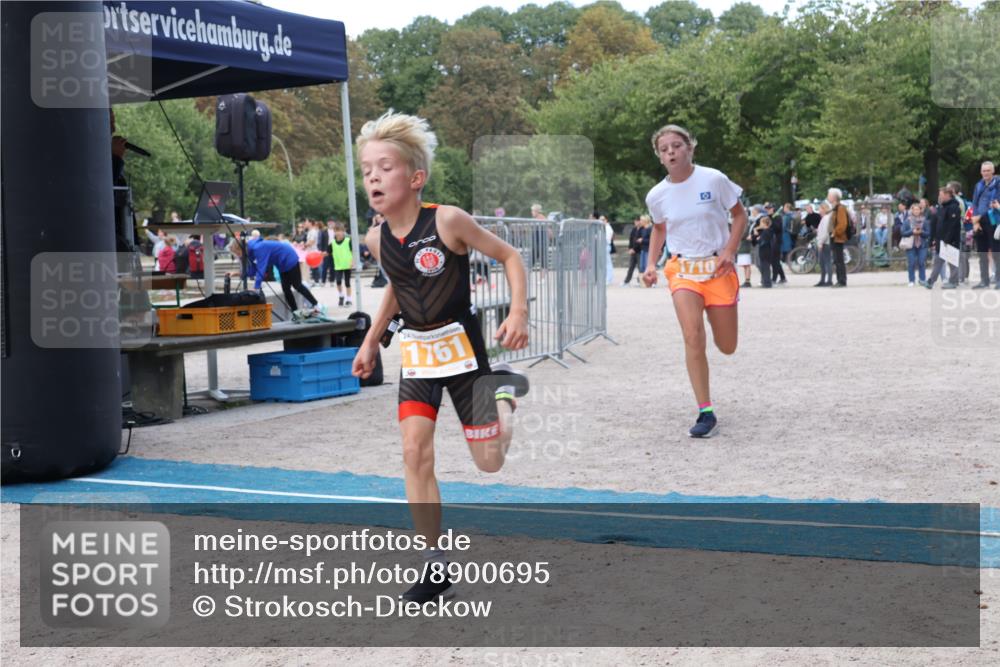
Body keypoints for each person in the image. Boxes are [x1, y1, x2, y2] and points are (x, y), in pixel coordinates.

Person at [350, 111, 530, 603]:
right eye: (366, 169)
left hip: (465, 352)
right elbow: (398, 284)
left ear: (415, 177)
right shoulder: (375, 238)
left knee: (489, 462)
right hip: (420, 356)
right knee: (414, 451)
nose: (372, 177)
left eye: (384, 167)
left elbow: (511, 256)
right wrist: (371, 340)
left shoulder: (447, 220)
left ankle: (504, 398)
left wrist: (518, 312)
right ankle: (434, 564)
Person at [642, 123, 746, 438]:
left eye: (677, 145)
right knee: (691, 335)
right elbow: (659, 229)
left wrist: (729, 250)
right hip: (682, 268)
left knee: (727, 346)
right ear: (659, 157)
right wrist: (650, 264)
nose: (671, 152)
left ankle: (719, 321)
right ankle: (705, 411)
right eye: (664, 149)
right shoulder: (657, 195)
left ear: (690, 148)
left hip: (717, 269)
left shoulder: (714, 179)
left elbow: (740, 215)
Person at [230, 236, 319, 310]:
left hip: (289, 258)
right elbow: (253, 270)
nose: (238, 256)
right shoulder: (250, 252)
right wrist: (239, 273)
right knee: (286, 289)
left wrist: (256, 287)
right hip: (281, 264)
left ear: (241, 248)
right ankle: (295, 312)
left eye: (237, 253)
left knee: (297, 285)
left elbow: (261, 268)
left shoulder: (258, 248)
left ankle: (315, 304)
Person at [924, 185, 962, 290]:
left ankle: (953, 282)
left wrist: (947, 240)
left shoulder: (954, 207)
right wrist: (934, 239)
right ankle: (930, 281)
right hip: (941, 240)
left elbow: (953, 225)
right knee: (938, 261)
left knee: (952, 262)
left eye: (941, 195)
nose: (939, 197)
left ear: (947, 195)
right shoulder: (941, 207)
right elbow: (937, 224)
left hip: (950, 240)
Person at [970, 161, 999, 288]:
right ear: (981, 172)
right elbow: (974, 203)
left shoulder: (998, 184)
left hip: (992, 220)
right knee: (981, 253)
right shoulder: (978, 185)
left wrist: (978, 217)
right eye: (984, 170)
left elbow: (993, 203)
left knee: (996, 252)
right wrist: (975, 221)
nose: (986, 173)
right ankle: (984, 280)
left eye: (988, 170)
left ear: (993, 171)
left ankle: (998, 280)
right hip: (979, 221)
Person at [827, 188, 851, 287]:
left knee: (839, 260)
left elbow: (842, 224)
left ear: (834, 197)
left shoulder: (840, 208)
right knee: (837, 260)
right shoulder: (835, 208)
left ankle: (842, 280)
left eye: (829, 195)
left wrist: (835, 232)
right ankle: (840, 279)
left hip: (838, 238)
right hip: (834, 237)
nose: (828, 196)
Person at [901, 202, 929, 286]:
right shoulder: (907, 221)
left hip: (922, 244)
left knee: (921, 262)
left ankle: (922, 279)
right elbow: (903, 232)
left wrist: (921, 232)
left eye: (918, 209)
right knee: (911, 263)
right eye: (914, 209)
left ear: (920, 210)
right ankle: (911, 280)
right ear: (911, 210)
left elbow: (928, 233)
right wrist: (911, 231)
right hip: (911, 245)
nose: (916, 211)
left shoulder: (925, 221)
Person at [329, 221, 354, 307]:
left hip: (347, 265)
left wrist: (352, 261)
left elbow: (353, 252)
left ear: (343, 231)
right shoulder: (332, 243)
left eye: (340, 230)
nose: (338, 233)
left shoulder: (348, 240)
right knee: (338, 281)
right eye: (336, 231)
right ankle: (341, 296)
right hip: (338, 266)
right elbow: (327, 252)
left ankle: (349, 299)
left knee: (347, 282)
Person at [752, 216, 774, 288]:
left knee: (765, 267)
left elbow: (761, 241)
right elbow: (756, 240)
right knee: (764, 266)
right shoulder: (765, 231)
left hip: (766, 251)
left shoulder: (767, 231)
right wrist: (756, 234)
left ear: (765, 223)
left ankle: (767, 283)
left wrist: (758, 238)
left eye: (761, 223)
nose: (760, 224)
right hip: (764, 251)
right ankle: (765, 281)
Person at [815, 201, 833, 287]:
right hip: (823, 242)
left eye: (820, 208)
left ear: (824, 209)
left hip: (825, 243)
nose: (818, 210)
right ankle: (822, 280)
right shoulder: (825, 218)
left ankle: (829, 280)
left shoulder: (826, 218)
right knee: (822, 262)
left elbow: (825, 232)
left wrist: (821, 242)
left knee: (827, 262)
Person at [622, 215, 644, 286]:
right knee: (631, 267)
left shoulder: (643, 229)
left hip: (639, 251)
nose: (635, 222)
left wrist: (634, 249)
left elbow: (640, 242)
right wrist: (630, 248)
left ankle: (640, 281)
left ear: (640, 221)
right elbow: (631, 239)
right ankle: (626, 281)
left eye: (637, 221)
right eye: (635, 221)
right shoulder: (634, 229)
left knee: (640, 267)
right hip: (633, 251)